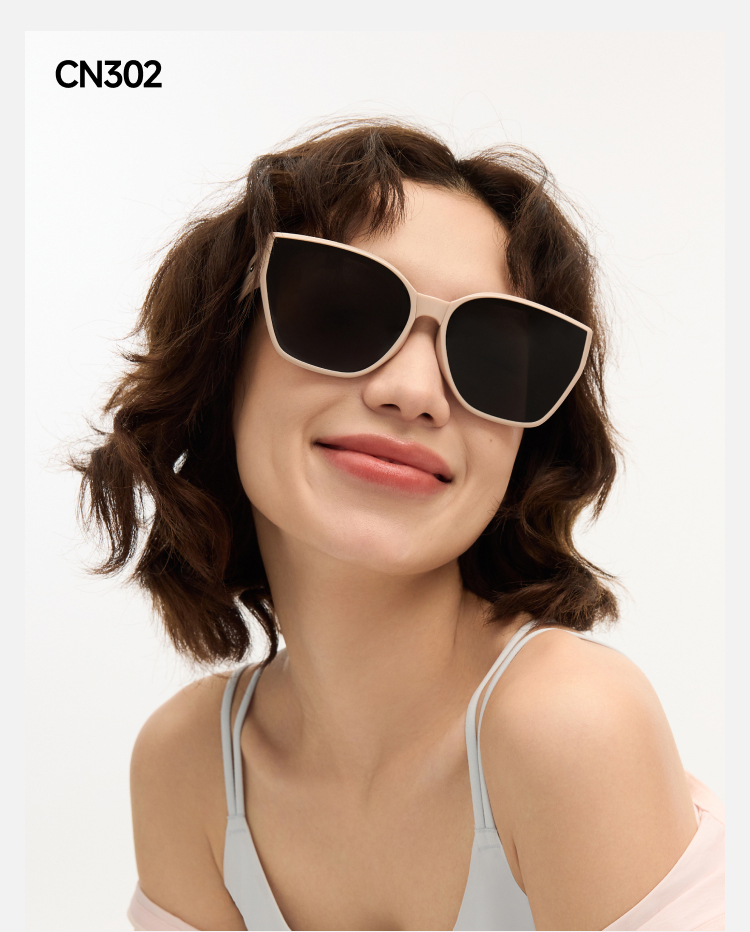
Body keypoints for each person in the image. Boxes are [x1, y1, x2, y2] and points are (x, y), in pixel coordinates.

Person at [74, 119, 724, 931]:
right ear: (223, 360)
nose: (415, 391)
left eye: (491, 356)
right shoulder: (188, 768)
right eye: (343, 313)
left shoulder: (569, 725)